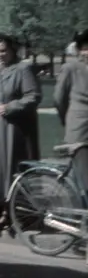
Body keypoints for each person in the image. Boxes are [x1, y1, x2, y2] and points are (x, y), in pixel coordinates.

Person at [0, 33, 41, 236]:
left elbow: (33, 96)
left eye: (4, 50)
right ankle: (4, 210)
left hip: (18, 128)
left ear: (12, 49)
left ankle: (21, 213)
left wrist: (13, 106)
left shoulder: (24, 69)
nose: (1, 55)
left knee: (16, 166)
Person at [54, 29, 88, 193]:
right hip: (80, 130)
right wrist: (67, 120)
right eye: (85, 48)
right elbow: (59, 99)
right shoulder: (71, 68)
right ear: (80, 50)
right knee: (84, 179)